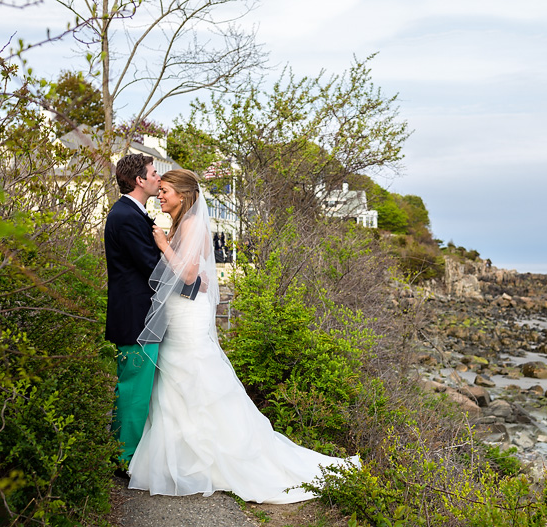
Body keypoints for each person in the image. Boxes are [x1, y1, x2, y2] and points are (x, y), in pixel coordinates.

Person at [128, 169, 359, 503]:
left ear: (182, 194)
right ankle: (188, 458)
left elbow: (190, 272)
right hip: (182, 312)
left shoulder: (190, 225)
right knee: (180, 378)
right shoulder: (184, 224)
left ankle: (212, 456)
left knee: (194, 373)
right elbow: (202, 279)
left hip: (188, 319)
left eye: (164, 191)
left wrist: (163, 244)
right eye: (159, 190)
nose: (160, 196)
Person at [104, 153, 162, 466]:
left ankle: (123, 453)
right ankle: (125, 460)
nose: (158, 178)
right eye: (154, 173)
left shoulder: (131, 213)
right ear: (139, 180)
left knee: (134, 389)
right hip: (136, 320)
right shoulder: (125, 216)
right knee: (134, 392)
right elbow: (151, 267)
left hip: (140, 317)